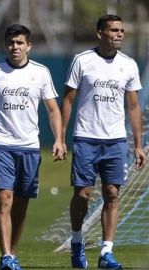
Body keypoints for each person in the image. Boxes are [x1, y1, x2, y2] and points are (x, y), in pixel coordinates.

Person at [0, 24, 65, 270]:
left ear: (29, 46)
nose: (15, 47)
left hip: (30, 147)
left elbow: (53, 109)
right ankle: (6, 256)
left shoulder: (41, 73)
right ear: (6, 45)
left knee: (21, 205)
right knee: (4, 199)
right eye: (11, 42)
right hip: (1, 144)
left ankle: (13, 252)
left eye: (20, 43)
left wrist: (59, 139)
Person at [61, 14, 146, 270]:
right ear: (100, 33)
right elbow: (67, 100)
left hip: (116, 142)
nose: (119, 34)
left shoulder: (129, 65)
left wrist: (139, 144)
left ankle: (106, 252)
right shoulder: (82, 61)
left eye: (121, 30)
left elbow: (133, 108)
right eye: (114, 30)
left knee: (112, 194)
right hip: (86, 138)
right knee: (83, 194)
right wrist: (60, 138)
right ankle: (77, 241)